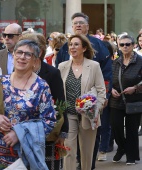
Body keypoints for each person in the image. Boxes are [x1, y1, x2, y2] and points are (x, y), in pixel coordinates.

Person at [0, 39, 56, 169]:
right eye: (19, 52)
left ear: (35, 61)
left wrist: (20, 134)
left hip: (25, 155)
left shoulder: (41, 87)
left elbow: (49, 121)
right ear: (13, 55)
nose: (22, 57)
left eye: (28, 54)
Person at [55, 12, 112, 170]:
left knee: (87, 153)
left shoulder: (94, 66)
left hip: (89, 115)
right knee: (69, 150)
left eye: (76, 45)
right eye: (70, 45)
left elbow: (101, 90)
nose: (72, 48)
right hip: (69, 114)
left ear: (84, 48)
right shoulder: (62, 66)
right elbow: (58, 90)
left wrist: (96, 108)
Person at [20, 31, 69, 170]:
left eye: (28, 49)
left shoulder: (52, 73)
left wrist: (62, 133)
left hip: (48, 134)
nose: (24, 54)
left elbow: (61, 103)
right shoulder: (18, 71)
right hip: (23, 133)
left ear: (40, 52)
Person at [109, 34, 142, 165]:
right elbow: (108, 79)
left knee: (132, 129)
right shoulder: (116, 61)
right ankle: (122, 147)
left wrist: (135, 88)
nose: (125, 47)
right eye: (122, 44)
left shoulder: (140, 61)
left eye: (128, 44)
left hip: (134, 99)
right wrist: (110, 89)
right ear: (118, 46)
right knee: (116, 126)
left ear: (134, 45)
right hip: (116, 99)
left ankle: (131, 156)